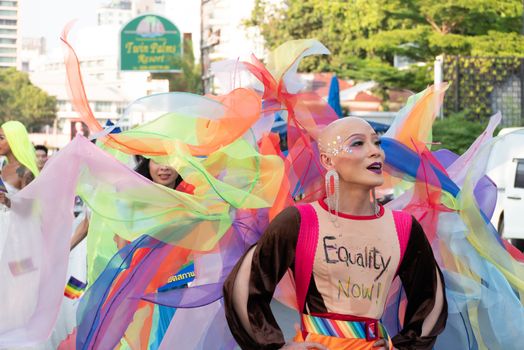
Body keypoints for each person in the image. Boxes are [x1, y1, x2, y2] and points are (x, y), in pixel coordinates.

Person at [223, 117, 447, 350]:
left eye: (377, 143)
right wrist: (277, 347)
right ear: (327, 160)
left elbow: (431, 299)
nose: (376, 153)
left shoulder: (404, 228)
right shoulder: (300, 222)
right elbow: (244, 288)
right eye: (358, 143)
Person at [0, 121, 39, 207]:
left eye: (1, 138)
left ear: (14, 140)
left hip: (13, 220)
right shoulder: (3, 167)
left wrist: (7, 201)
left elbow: (28, 209)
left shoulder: (25, 171)